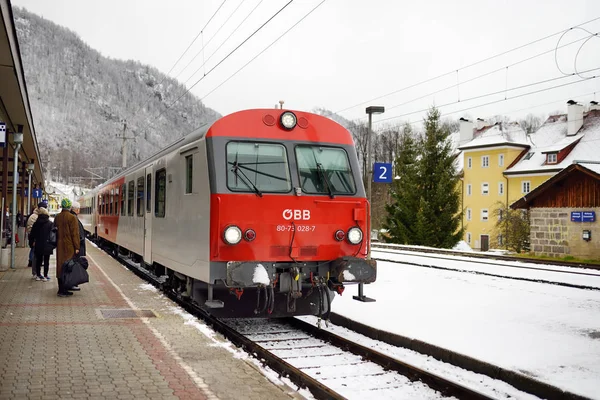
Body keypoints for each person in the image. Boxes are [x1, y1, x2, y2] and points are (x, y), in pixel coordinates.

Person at [53, 198, 80, 297]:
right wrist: (77, 247)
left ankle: (60, 289)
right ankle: (64, 289)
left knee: (60, 267)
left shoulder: (58, 217)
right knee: (68, 266)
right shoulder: (72, 218)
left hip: (60, 245)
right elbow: (75, 234)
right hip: (69, 246)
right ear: (69, 207)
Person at [28, 206, 53, 281]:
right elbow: (52, 234)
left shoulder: (36, 223)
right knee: (46, 260)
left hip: (38, 244)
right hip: (47, 244)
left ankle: (38, 275)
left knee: (38, 260)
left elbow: (32, 234)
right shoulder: (50, 223)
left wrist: (31, 243)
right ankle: (45, 276)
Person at [26, 201, 47, 278]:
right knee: (35, 254)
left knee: (35, 253)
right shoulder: (35, 217)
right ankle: (32, 265)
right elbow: (34, 229)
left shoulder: (35, 216)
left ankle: (34, 268)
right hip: (35, 238)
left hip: (36, 238)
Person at [68, 201, 85, 291]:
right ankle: (72, 283)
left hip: (73, 246)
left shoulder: (72, 217)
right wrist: (78, 246)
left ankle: (71, 283)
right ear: (76, 209)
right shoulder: (74, 218)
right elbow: (76, 234)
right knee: (74, 265)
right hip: (75, 247)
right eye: (78, 209)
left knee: (73, 264)